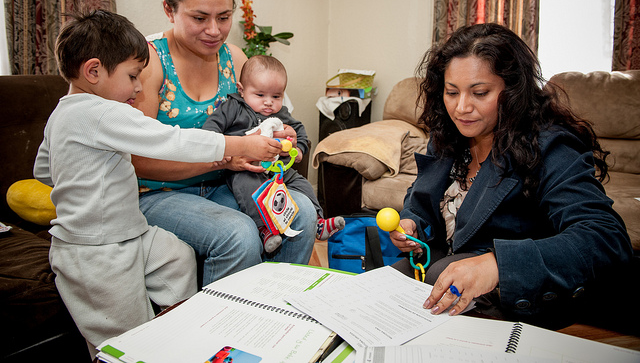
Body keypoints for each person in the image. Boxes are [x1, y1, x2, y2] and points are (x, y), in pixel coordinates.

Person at [33, 10, 282, 356]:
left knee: (177, 257)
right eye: (133, 76)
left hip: (132, 232)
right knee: (126, 344)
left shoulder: (62, 114)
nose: (138, 86)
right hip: (95, 251)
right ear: (93, 72)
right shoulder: (100, 111)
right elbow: (172, 141)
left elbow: (43, 169)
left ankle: (177, 334)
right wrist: (239, 144)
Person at [389, 23, 633, 328]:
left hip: (517, 294)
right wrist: (413, 223)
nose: (462, 108)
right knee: (383, 287)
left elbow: (605, 240)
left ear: (513, 91)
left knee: (437, 281)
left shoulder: (550, 145)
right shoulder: (448, 135)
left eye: (480, 93)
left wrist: (498, 265)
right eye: (452, 92)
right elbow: (423, 195)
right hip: (443, 265)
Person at [132, 0, 317, 287]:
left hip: (223, 186)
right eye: (199, 18)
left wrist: (281, 137)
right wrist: (226, 157)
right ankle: (221, 334)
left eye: (224, 16)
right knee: (239, 233)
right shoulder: (149, 61)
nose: (215, 30)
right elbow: (136, 158)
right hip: (160, 193)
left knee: (302, 213)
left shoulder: (234, 56)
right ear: (169, 10)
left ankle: (278, 313)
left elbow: (264, 117)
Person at [202, 55, 345, 253]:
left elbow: (299, 129)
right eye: (260, 95)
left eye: (276, 97)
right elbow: (211, 129)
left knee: (301, 183)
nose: (268, 103)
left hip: (278, 169)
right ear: (241, 90)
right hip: (248, 169)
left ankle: (318, 222)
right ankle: (263, 228)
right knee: (246, 186)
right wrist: (222, 151)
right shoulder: (233, 107)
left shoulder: (280, 113)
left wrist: (300, 149)